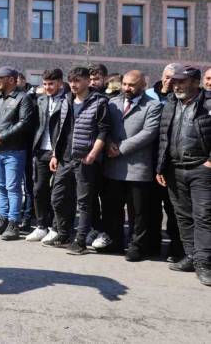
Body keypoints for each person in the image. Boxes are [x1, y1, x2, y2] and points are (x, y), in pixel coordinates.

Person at [156, 65, 211, 286]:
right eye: (175, 81)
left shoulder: (207, 103)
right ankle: (191, 256)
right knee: (182, 216)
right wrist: (160, 167)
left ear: (195, 83)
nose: (176, 85)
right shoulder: (171, 103)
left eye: (182, 81)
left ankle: (205, 263)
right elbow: (164, 136)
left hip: (201, 169)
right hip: (174, 168)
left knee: (204, 216)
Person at [100, 70, 162, 261]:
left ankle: (137, 246)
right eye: (125, 84)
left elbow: (149, 132)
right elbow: (105, 127)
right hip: (113, 166)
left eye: (131, 85)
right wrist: (109, 142)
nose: (127, 88)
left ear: (142, 85)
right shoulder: (113, 103)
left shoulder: (153, 106)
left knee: (138, 212)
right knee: (113, 208)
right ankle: (116, 242)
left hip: (138, 167)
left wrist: (121, 148)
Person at [47, 66, 109, 254]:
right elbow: (61, 130)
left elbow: (103, 130)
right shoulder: (66, 99)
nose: (73, 84)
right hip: (64, 158)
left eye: (78, 81)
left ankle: (80, 240)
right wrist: (55, 154)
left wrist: (93, 153)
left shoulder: (99, 102)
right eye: (71, 81)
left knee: (84, 202)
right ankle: (63, 233)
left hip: (85, 159)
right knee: (57, 198)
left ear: (88, 81)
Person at [0, 66, 36, 240]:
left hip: (14, 151)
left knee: (12, 188)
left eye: (0, 78)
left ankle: (14, 223)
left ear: (11, 80)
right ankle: (2, 219)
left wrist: (1, 137)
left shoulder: (23, 98)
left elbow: (24, 123)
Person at [144, 63, 184, 261]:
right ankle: (152, 245)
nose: (170, 81)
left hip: (172, 162)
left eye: (174, 78)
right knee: (151, 207)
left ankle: (176, 249)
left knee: (173, 208)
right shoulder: (149, 95)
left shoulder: (181, 98)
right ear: (162, 76)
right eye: (167, 77)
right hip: (149, 160)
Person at [27, 69, 66, 243]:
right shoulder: (40, 100)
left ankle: (57, 228)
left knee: (59, 194)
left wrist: (58, 152)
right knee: (38, 189)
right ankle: (41, 225)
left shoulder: (68, 100)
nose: (47, 87)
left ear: (60, 83)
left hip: (60, 153)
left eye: (51, 84)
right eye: (45, 84)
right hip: (41, 151)